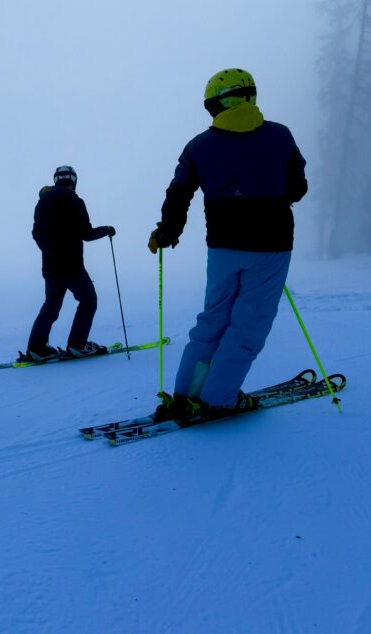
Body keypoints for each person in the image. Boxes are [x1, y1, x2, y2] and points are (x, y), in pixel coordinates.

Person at [148, 68, 307, 420]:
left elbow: (179, 193)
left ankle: (186, 394)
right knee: (248, 323)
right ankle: (219, 397)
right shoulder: (280, 136)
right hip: (271, 245)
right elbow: (297, 188)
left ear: (217, 104)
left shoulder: (199, 145)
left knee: (213, 320)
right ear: (249, 96)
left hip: (223, 247)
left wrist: (167, 232)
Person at [22, 165, 116, 362]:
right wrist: (107, 229)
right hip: (72, 266)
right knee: (88, 301)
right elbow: (86, 234)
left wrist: (49, 250)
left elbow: (35, 234)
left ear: (56, 180)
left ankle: (36, 349)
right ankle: (77, 345)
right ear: (73, 180)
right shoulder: (75, 201)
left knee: (51, 306)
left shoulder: (41, 204)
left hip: (50, 267)